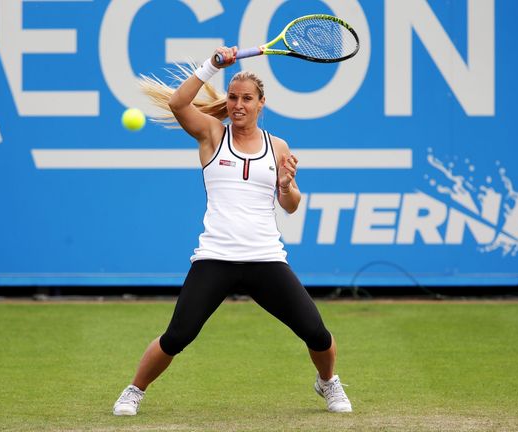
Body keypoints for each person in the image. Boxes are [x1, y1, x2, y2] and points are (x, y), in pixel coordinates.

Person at [112, 46, 352, 415]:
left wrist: (286, 185)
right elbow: (178, 104)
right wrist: (212, 65)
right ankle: (134, 390)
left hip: (265, 259)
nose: (238, 104)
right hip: (216, 258)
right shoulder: (211, 134)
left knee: (316, 333)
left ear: (261, 104)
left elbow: (290, 204)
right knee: (178, 335)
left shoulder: (278, 146)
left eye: (247, 99)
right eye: (233, 97)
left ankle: (328, 383)